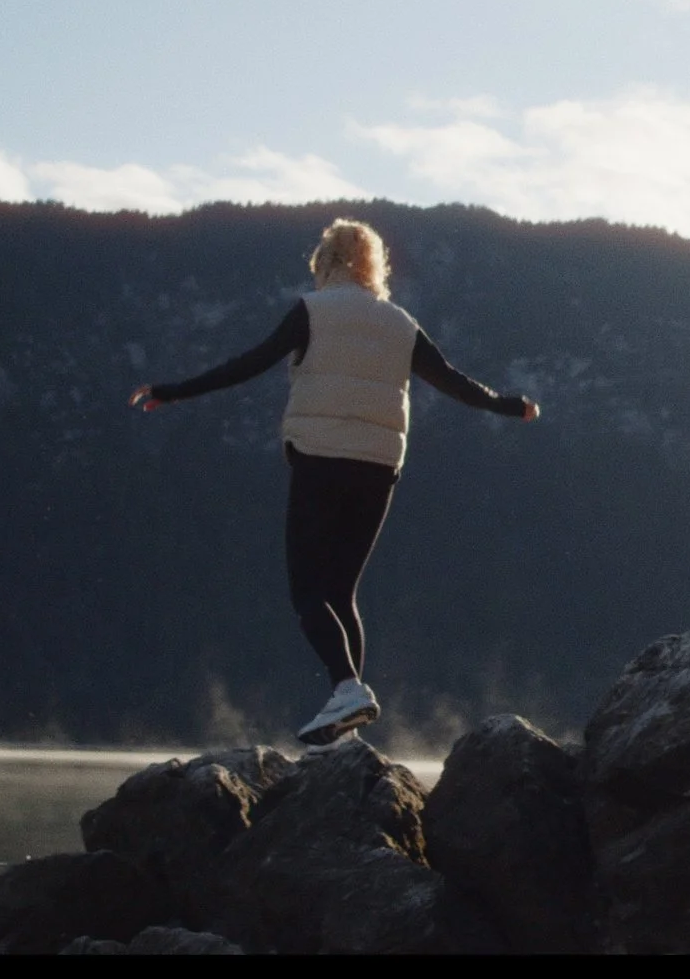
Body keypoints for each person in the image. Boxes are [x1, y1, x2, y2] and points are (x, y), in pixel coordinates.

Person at [129, 219, 540, 746]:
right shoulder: (400, 323)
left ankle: (347, 688)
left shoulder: (312, 311)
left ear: (324, 262)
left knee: (308, 590)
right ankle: (348, 723)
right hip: (379, 465)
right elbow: (454, 382)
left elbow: (250, 364)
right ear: (374, 265)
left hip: (321, 458)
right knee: (342, 591)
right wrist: (512, 405)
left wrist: (173, 391)